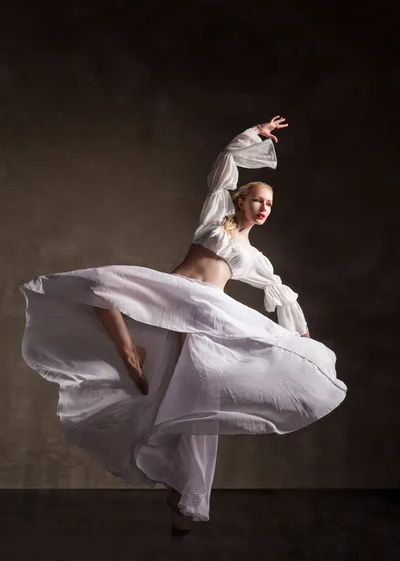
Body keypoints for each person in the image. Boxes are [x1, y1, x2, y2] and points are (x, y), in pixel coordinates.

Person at [20, 116, 347, 536]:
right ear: (241, 200)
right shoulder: (216, 221)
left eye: (269, 205)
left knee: (195, 404)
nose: (264, 209)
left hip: (206, 314)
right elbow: (225, 165)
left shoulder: (255, 258)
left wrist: (299, 333)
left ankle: (186, 500)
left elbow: (280, 293)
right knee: (102, 285)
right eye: (258, 200)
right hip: (174, 293)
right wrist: (253, 136)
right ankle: (127, 350)